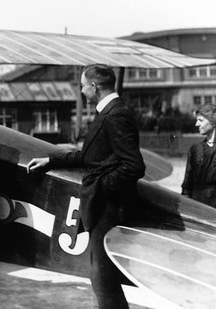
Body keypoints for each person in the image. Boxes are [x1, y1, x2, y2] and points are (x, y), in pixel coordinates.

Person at [27, 64, 145, 309]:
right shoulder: (109, 111)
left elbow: (133, 166)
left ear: (94, 86)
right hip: (103, 207)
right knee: (102, 277)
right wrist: (51, 159)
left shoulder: (115, 114)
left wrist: (100, 187)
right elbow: (91, 155)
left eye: (82, 86)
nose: (81, 91)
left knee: (102, 278)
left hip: (108, 208)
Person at [181, 104, 216, 211]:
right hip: (197, 205)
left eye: (200, 120)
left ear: (213, 122)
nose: (196, 124)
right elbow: (187, 184)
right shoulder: (195, 149)